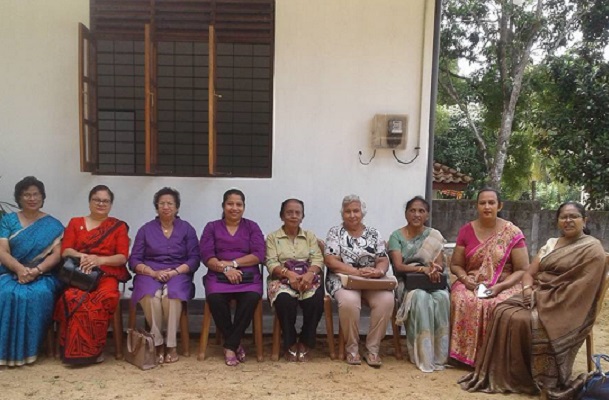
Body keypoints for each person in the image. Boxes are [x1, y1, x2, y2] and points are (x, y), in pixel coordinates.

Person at [459, 201, 606, 400]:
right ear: (558, 221)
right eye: (563, 217)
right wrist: (528, 290)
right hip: (538, 293)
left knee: (523, 320)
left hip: (567, 304)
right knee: (502, 310)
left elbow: (583, 288)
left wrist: (544, 298)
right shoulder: (552, 243)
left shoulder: (592, 249)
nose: (568, 220)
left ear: (584, 220)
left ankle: (531, 379)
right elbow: (529, 273)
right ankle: (509, 376)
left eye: (574, 216)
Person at [449, 188, 529, 366]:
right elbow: (455, 265)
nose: (487, 206)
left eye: (491, 203)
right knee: (462, 298)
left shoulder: (512, 232)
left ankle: (494, 360)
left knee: (497, 304)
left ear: (499, 206)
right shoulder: (466, 231)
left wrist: (500, 287)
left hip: (506, 283)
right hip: (471, 282)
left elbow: (523, 269)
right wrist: (464, 279)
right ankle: (462, 357)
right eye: (482, 203)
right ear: (477, 206)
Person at [54, 185, 130, 364]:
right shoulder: (75, 223)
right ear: (89, 201)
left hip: (106, 274)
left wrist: (99, 260)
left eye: (105, 201)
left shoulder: (118, 227)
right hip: (79, 274)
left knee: (102, 298)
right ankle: (73, 350)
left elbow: (122, 257)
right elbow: (65, 251)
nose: (101, 204)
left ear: (111, 204)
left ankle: (93, 350)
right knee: (71, 296)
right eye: (97, 200)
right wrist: (84, 257)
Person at [129, 187, 200, 364]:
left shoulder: (187, 229)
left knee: (171, 296)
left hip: (179, 272)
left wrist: (175, 271)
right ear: (156, 207)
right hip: (150, 272)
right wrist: (153, 272)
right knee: (152, 296)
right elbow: (134, 260)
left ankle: (171, 345)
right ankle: (157, 343)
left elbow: (194, 259)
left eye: (170, 203)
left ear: (177, 207)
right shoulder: (145, 230)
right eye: (162, 203)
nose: (166, 207)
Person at [0, 176, 64, 367]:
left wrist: (35, 271)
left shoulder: (53, 225)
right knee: (6, 293)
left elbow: (57, 255)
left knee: (38, 294)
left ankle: (30, 350)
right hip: (10, 271)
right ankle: (4, 351)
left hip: (43, 274)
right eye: (26, 194)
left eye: (36, 194)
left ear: (42, 197)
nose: (31, 198)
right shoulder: (8, 221)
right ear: (19, 197)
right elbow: (2, 250)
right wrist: (19, 269)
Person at [325, 194, 394, 367]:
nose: (352, 215)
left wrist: (378, 271)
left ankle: (373, 349)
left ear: (362, 213)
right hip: (343, 278)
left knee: (386, 300)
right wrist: (356, 272)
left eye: (356, 211)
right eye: (347, 211)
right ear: (342, 214)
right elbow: (331, 261)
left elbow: (382, 258)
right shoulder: (335, 232)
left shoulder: (373, 233)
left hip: (371, 280)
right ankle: (352, 349)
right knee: (349, 302)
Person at [200, 189, 265, 366]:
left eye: (239, 204)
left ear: (244, 207)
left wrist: (234, 264)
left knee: (251, 298)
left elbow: (259, 254)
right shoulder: (212, 227)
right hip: (218, 275)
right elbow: (207, 256)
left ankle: (230, 345)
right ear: (223, 206)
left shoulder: (252, 227)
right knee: (215, 298)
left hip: (248, 276)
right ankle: (234, 343)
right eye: (230, 204)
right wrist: (225, 268)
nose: (234, 208)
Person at [388, 196, 449, 372]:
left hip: (431, 281)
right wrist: (421, 270)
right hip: (407, 283)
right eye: (412, 210)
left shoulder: (434, 236)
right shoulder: (396, 236)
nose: (417, 214)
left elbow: (439, 264)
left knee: (442, 298)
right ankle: (422, 355)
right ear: (406, 214)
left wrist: (435, 268)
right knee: (421, 298)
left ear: (427, 215)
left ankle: (440, 357)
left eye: (421, 211)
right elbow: (398, 266)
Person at [266, 198, 324, 362]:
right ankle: (290, 343)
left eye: (297, 212)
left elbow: (318, 259)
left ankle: (306, 342)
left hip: (307, 278)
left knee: (315, 300)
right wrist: (288, 274)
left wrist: (309, 274)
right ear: (282, 215)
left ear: (302, 216)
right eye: (289, 212)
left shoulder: (310, 237)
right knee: (285, 301)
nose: (293, 216)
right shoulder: (273, 238)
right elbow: (271, 262)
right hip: (281, 279)